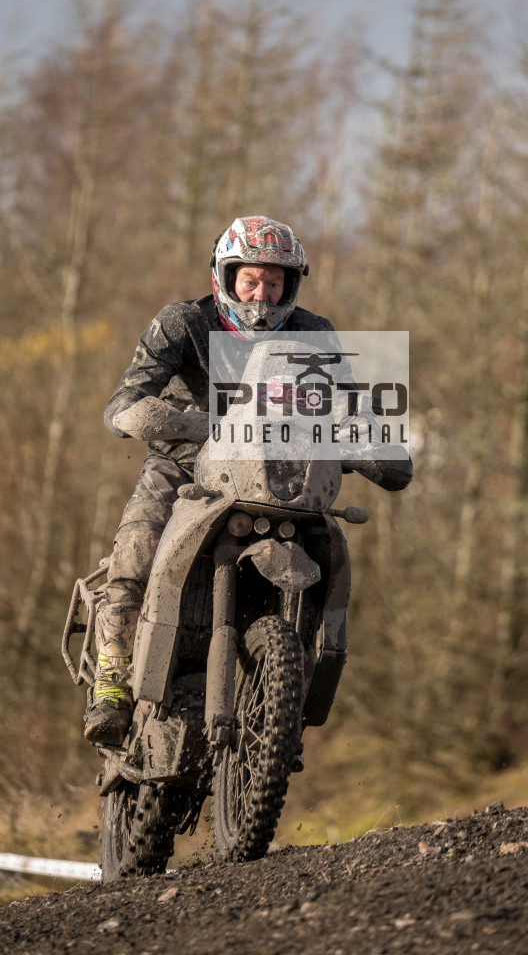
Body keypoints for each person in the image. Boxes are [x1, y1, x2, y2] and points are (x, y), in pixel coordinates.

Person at [84, 216, 336, 744]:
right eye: (251, 280)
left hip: (274, 476)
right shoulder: (183, 323)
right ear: (226, 275)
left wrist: (378, 446)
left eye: (274, 282)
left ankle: (294, 683)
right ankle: (112, 675)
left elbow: (348, 407)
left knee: (328, 545)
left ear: (291, 285)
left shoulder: (315, 334)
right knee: (139, 542)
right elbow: (123, 404)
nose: (262, 294)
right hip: (182, 466)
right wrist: (176, 421)